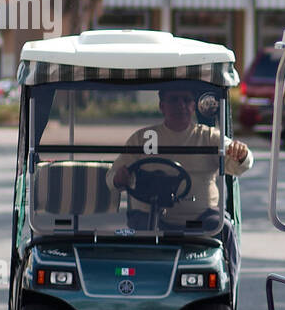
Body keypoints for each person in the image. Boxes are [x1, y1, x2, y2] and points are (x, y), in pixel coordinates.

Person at [107, 82, 251, 280]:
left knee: (224, 227)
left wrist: (242, 154)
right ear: (162, 106)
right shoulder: (143, 138)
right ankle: (134, 285)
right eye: (173, 100)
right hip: (151, 217)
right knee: (129, 236)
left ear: (194, 105)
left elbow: (240, 165)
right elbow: (111, 177)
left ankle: (228, 290)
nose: (181, 105)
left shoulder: (208, 137)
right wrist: (118, 178)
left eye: (186, 100)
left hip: (199, 218)